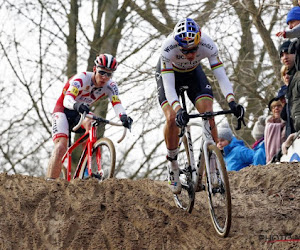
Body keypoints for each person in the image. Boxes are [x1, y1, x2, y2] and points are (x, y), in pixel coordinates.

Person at [155, 17, 244, 194]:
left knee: (208, 113)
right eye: (185, 51)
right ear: (177, 45)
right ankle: (173, 163)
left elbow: (221, 76)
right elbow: (169, 88)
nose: (190, 55)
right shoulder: (167, 49)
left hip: (193, 74)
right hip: (170, 76)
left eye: (194, 49)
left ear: (199, 41)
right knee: (172, 118)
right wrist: (179, 109)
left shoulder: (208, 45)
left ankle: (213, 168)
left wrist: (232, 101)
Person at [46, 54, 133, 179]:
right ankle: (50, 183)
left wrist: (123, 117)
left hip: (81, 112)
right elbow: (67, 100)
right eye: (102, 72)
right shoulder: (82, 78)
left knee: (92, 123)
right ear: (94, 69)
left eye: (109, 74)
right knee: (61, 147)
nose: (104, 77)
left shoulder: (111, 86)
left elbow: (117, 104)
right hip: (63, 110)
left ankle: (87, 169)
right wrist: (77, 105)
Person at [265, 98, 286, 163]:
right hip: (273, 158)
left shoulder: (287, 124)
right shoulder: (268, 126)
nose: (276, 108)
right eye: (273, 107)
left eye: (279, 106)